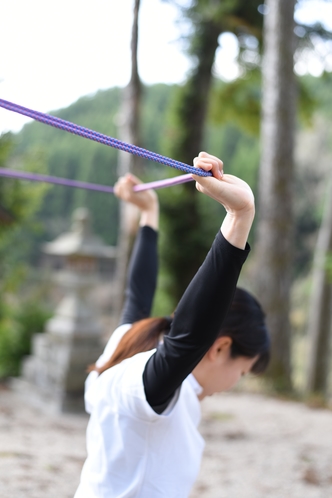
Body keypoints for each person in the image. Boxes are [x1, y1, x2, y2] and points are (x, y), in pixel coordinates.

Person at [74, 151, 270, 498]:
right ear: (221, 346)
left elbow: (138, 296)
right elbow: (189, 338)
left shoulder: (128, 344)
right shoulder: (155, 386)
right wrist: (239, 216)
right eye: (241, 373)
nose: (234, 384)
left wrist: (149, 214)